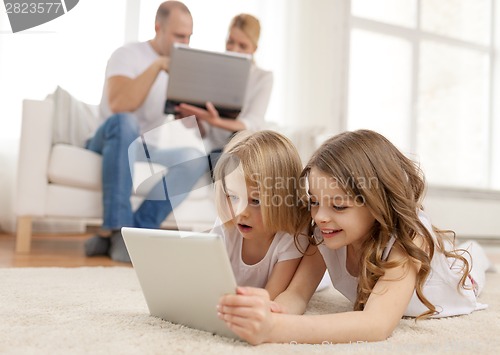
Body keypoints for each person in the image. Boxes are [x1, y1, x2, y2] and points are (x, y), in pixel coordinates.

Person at [217, 129, 494, 344]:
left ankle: (477, 252)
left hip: (456, 281)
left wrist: (275, 328)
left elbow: (376, 323)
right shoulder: (324, 231)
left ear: (377, 204)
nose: (320, 216)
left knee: (469, 259)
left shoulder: (407, 239)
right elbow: (297, 294)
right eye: (314, 201)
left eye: (338, 205)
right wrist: (269, 310)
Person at [84, 1, 208, 263]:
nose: (184, 43)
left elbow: (193, 127)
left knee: (195, 157)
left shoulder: (179, 67)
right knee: (125, 122)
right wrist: (157, 66)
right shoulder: (127, 55)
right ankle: (117, 226)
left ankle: (130, 234)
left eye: (188, 37)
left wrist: (196, 112)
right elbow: (120, 105)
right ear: (158, 27)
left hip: (145, 149)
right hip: (109, 139)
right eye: (178, 36)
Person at [211, 130, 309, 300]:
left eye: (255, 201)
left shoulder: (292, 236)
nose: (240, 212)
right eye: (233, 197)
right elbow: (207, 279)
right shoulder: (227, 223)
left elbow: (270, 296)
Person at [175, 14, 273, 160]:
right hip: (214, 151)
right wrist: (193, 118)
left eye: (243, 46)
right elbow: (206, 133)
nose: (234, 50)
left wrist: (216, 121)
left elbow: (252, 124)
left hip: (244, 148)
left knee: (237, 141)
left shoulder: (263, 78)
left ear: (254, 49)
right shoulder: (213, 73)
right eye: (230, 42)